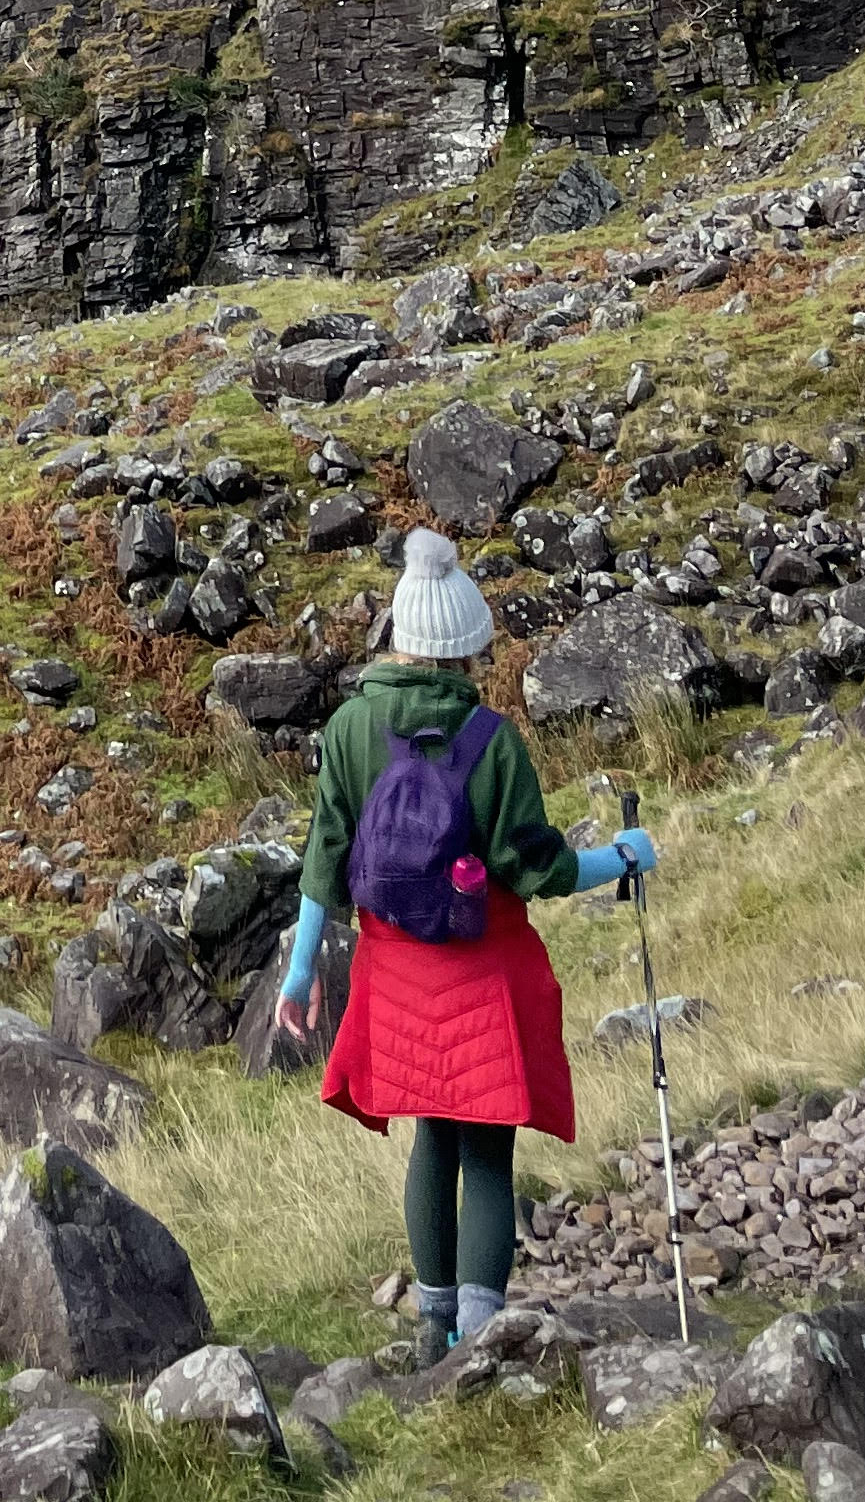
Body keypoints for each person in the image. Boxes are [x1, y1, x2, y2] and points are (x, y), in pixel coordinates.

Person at [274, 527, 655, 1359]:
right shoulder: (494, 743)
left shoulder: (347, 731)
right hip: (484, 971)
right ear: (468, 648)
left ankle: (433, 1331)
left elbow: (323, 863)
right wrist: (618, 857)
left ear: (402, 638)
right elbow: (536, 869)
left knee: (430, 1139)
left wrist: (300, 974)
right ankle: (482, 1345)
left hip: (394, 973)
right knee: (486, 1149)